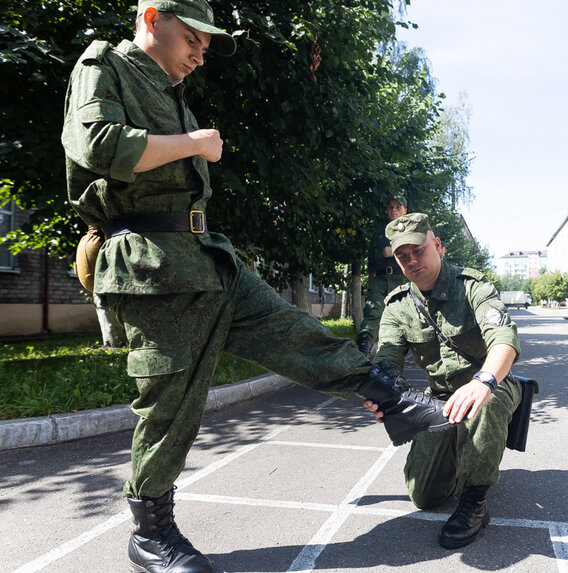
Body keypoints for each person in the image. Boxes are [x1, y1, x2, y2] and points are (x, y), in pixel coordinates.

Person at [61, 3, 451, 571]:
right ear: (152, 18)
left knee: (291, 330)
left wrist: (190, 138)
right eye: (192, 38)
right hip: (150, 266)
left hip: (204, 255)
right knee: (172, 403)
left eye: (203, 45)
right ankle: (150, 531)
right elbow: (98, 146)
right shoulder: (105, 65)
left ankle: (392, 398)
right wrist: (194, 142)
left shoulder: (170, 90)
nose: (198, 54)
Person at [363, 213, 522, 549]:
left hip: (491, 384)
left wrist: (483, 381)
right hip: (441, 400)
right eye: (402, 256)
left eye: (418, 251)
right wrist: (381, 394)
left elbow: (504, 341)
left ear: (438, 246)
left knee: (483, 404)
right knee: (423, 495)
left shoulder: (473, 287)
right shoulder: (397, 306)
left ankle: (475, 501)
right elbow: (387, 360)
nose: (411, 261)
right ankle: (465, 451)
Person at [356, 194, 409, 358]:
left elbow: (416, 252)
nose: (393, 210)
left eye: (397, 207)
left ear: (405, 210)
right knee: (372, 313)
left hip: (402, 280)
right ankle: (363, 351)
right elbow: (371, 258)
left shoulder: (411, 229)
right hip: (379, 279)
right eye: (390, 207)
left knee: (403, 319)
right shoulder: (379, 231)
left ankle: (398, 354)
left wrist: (393, 251)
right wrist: (370, 281)